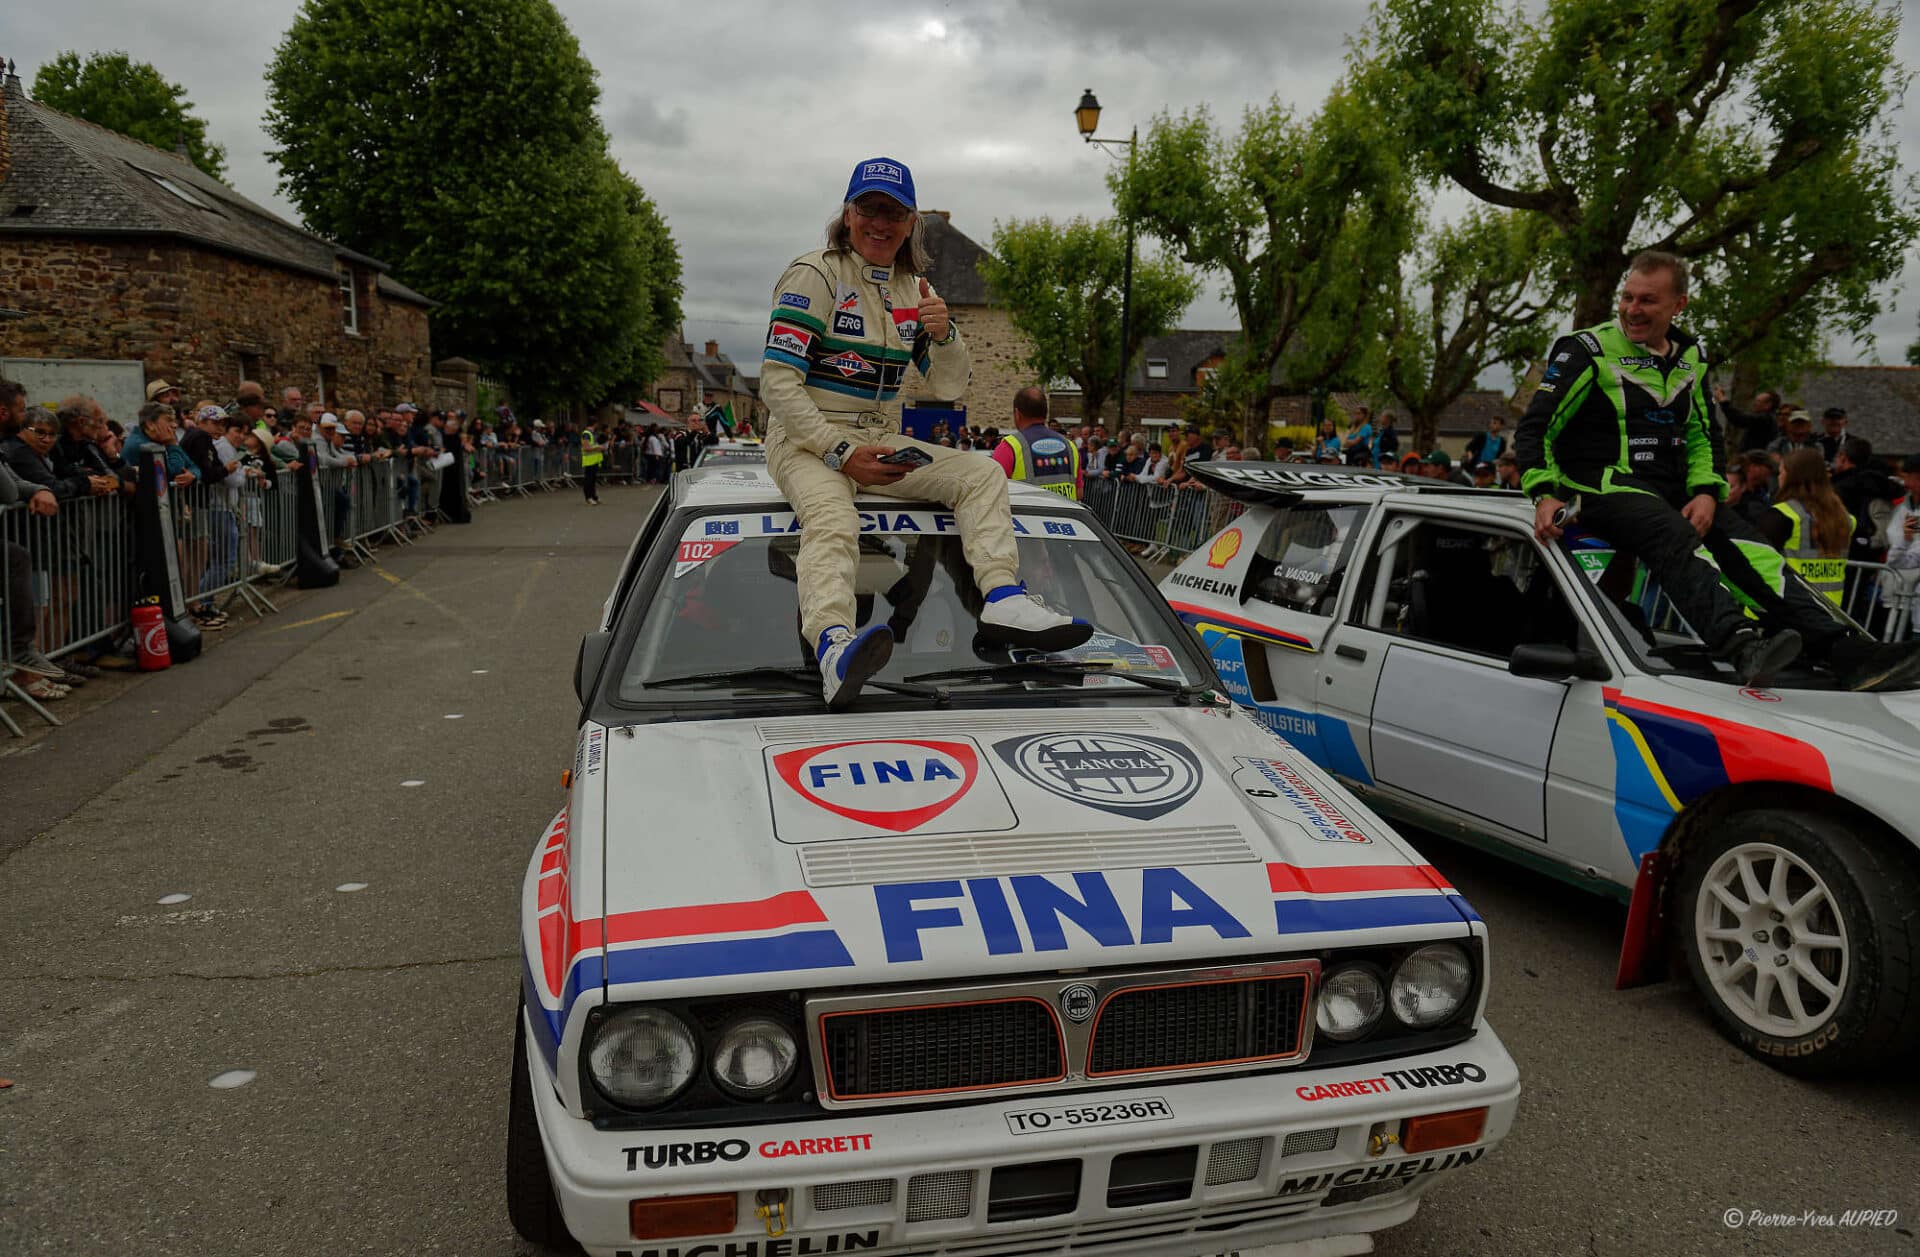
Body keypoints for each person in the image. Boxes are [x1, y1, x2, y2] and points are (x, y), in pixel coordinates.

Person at [760, 155, 1091, 707]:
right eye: (870, 209)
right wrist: (841, 451)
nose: (880, 223)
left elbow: (950, 386)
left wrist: (946, 335)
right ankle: (833, 648)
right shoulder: (813, 274)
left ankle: (1003, 597)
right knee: (834, 517)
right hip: (805, 441)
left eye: (894, 212)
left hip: (880, 439)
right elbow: (778, 383)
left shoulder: (915, 289)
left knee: (983, 474)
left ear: (912, 222)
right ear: (848, 213)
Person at [1519, 249, 1920, 689]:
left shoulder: (1690, 353)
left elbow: (1703, 432)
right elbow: (1536, 428)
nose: (1633, 310)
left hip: (1670, 487)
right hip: (1601, 485)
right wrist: (1544, 492)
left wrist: (1708, 492)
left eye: (1648, 301)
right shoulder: (1586, 348)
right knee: (1674, 534)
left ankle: (1848, 651)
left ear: (1679, 304)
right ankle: (1741, 645)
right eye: (1628, 297)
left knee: (1756, 550)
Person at [1754, 449, 1851, 606]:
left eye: (1781, 472)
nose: (1779, 477)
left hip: (1786, 611)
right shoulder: (1844, 517)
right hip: (1830, 611)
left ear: (1791, 477)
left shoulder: (1782, 515)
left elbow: (1756, 563)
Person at [990, 386, 1081, 499]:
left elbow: (992, 494)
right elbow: (1079, 493)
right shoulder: (1070, 446)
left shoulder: (1009, 447)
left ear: (1017, 413)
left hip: (1025, 516)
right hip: (1065, 515)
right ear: (1045, 413)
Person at [1711, 385, 1777, 454]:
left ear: (1768, 405)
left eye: (1758, 401)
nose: (1755, 403)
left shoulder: (1766, 419)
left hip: (1756, 459)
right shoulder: (1766, 418)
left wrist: (1723, 401)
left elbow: (1740, 418)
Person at [580, 423, 603, 505]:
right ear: (594, 424)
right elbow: (586, 448)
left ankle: (593, 496)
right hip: (589, 460)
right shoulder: (586, 434)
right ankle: (588, 497)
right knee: (588, 480)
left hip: (594, 460)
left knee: (593, 480)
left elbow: (593, 445)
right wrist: (597, 448)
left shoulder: (593, 434)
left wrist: (599, 447)